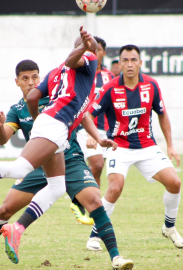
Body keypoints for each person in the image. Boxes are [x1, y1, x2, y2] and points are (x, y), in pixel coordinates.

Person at [0, 27, 129, 267]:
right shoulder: (85, 61)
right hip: (54, 129)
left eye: (33, 76)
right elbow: (71, 61)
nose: (31, 81)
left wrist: (94, 137)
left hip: (61, 143)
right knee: (19, 170)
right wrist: (86, 48)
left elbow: (38, 99)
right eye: (25, 78)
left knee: (57, 187)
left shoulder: (58, 75)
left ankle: (19, 228)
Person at [84, 44, 183, 251]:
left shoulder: (151, 85)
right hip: (118, 147)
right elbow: (88, 114)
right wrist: (91, 134)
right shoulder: (110, 88)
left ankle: (169, 227)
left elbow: (162, 114)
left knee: (175, 183)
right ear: (119, 63)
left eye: (134, 60)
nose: (130, 64)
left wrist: (170, 145)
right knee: (114, 189)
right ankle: (95, 236)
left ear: (140, 62)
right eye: (125, 60)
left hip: (147, 146)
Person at [71, 36, 116, 225]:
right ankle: (80, 200)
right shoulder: (80, 73)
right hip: (85, 127)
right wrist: (91, 133)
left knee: (98, 169)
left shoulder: (109, 77)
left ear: (102, 53)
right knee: (96, 164)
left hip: (106, 129)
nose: (92, 53)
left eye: (96, 50)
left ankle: (92, 205)